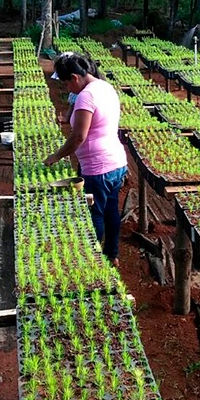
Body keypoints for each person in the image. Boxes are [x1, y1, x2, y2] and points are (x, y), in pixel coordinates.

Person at [44, 53, 128, 267]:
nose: (66, 89)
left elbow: (79, 136)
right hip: (116, 162)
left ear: (74, 77)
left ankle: (94, 264)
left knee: (95, 214)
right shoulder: (105, 87)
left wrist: (56, 156)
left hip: (97, 167)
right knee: (111, 210)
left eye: (65, 83)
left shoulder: (86, 96)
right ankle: (112, 255)